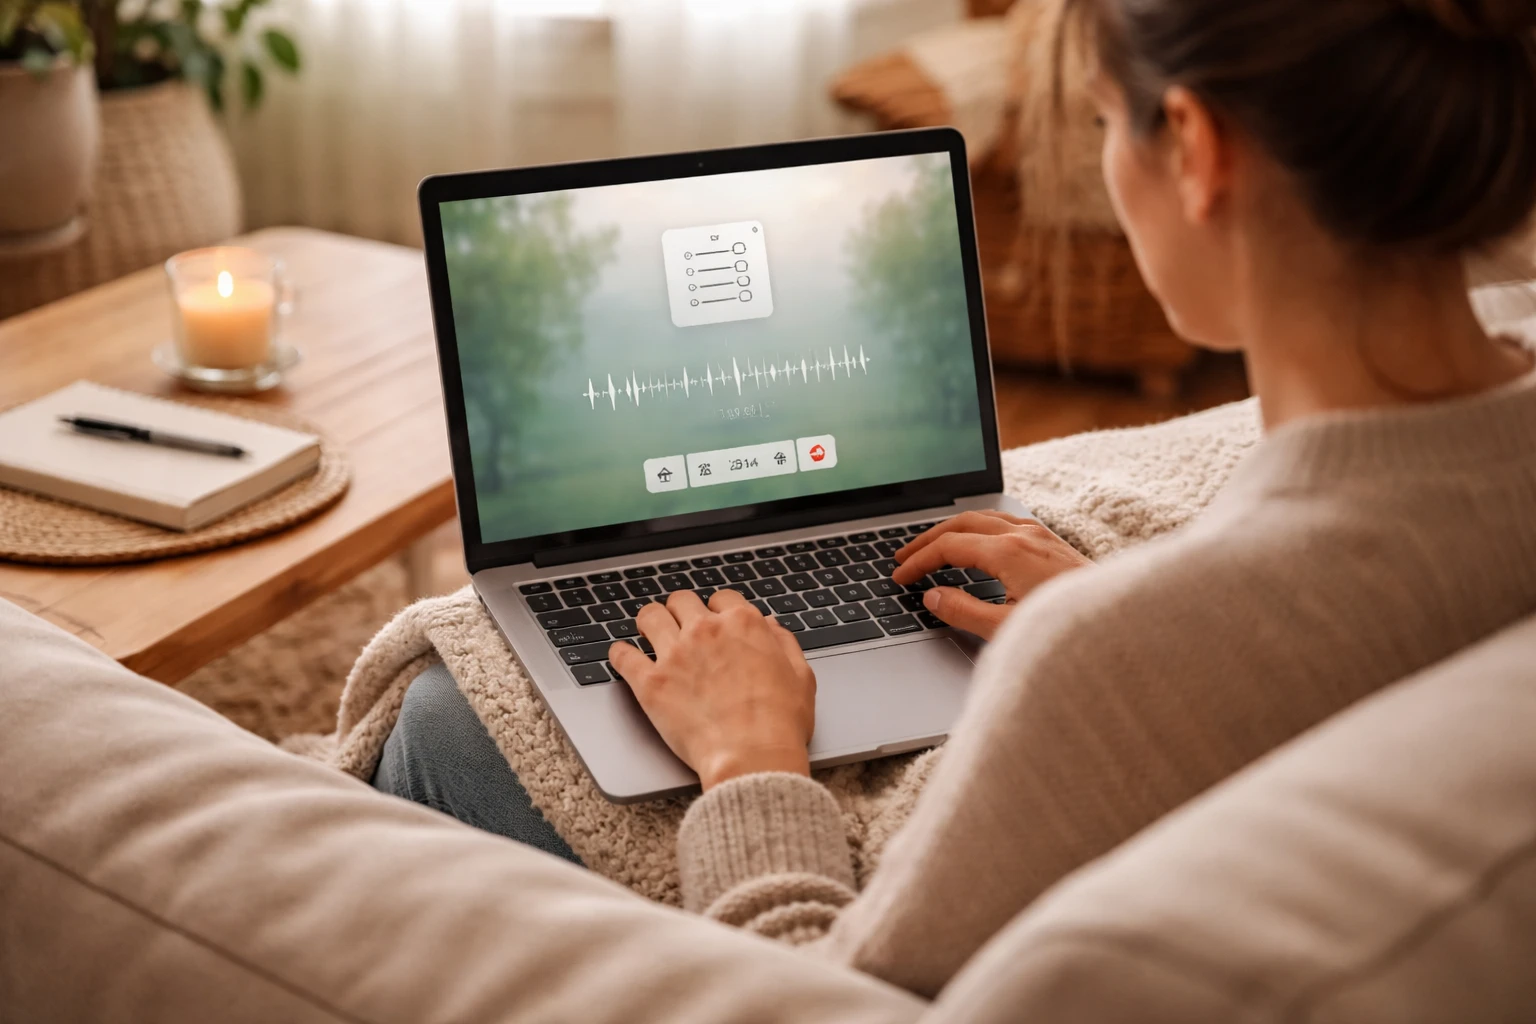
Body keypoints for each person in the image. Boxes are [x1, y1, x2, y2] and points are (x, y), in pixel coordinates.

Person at [375, 0, 1536, 999]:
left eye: (1101, 122)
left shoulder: (1119, 654)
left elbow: (816, 995)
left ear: (1195, 147)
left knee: (437, 726)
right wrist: (1119, 607)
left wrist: (751, 758)